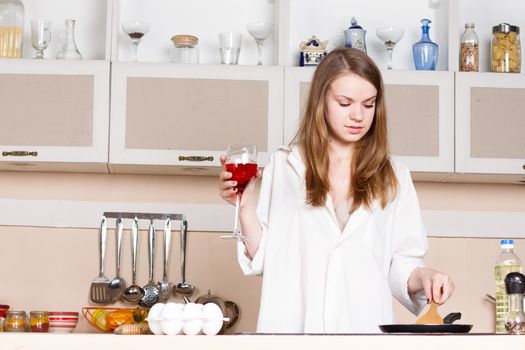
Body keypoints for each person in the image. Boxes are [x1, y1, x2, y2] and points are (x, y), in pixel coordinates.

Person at [219, 47, 454, 333]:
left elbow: (401, 263)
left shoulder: (394, 175)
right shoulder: (285, 166)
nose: (358, 115)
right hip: (293, 334)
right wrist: (244, 207)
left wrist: (427, 277)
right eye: (345, 103)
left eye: (369, 105)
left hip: (363, 333)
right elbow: (263, 257)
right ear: (322, 101)